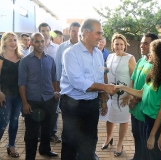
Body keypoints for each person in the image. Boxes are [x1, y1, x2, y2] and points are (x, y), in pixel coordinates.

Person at [60, 18, 115, 160]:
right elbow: (78, 82)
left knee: (90, 141)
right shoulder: (70, 53)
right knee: (71, 142)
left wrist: (103, 100)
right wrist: (105, 87)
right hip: (72, 105)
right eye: (98, 33)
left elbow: (99, 76)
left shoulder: (97, 53)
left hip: (91, 104)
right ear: (86, 32)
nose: (101, 37)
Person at [115, 39, 161, 160]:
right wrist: (122, 88)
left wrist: (154, 134)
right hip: (146, 117)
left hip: (154, 122)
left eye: (152, 51)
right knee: (146, 151)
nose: (149, 54)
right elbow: (141, 93)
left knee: (153, 154)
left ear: (158, 55)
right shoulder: (153, 73)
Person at [18, 33, 59, 159]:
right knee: (32, 132)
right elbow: (22, 83)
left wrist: (56, 92)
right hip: (32, 101)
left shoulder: (50, 60)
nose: (40, 44)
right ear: (32, 43)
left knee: (47, 129)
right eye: (37, 41)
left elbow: (54, 79)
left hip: (48, 100)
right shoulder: (25, 61)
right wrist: (25, 103)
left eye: (42, 41)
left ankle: (45, 149)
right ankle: (30, 156)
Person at [101, 33, 136, 157]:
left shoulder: (130, 58)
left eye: (121, 44)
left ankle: (120, 143)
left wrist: (129, 94)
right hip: (110, 95)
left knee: (123, 120)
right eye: (116, 44)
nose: (119, 47)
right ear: (113, 45)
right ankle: (108, 138)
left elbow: (134, 77)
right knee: (109, 118)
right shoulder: (109, 57)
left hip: (124, 95)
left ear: (125, 45)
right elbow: (105, 73)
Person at [129, 33, 158, 160]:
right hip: (134, 108)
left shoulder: (155, 65)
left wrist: (135, 99)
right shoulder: (140, 60)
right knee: (136, 135)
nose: (142, 45)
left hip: (144, 110)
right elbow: (133, 80)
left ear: (154, 45)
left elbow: (149, 89)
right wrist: (130, 96)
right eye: (141, 42)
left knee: (144, 140)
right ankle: (136, 157)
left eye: (146, 43)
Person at [0, 32, 23, 158]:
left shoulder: (21, 57)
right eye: (10, 40)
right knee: (3, 121)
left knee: (14, 121)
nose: (13, 42)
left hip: (18, 95)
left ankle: (11, 145)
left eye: (15, 40)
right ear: (4, 42)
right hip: (4, 95)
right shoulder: (1, 57)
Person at [38, 22, 61, 143]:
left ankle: (52, 133)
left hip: (53, 83)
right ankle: (41, 134)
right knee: (40, 110)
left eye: (47, 30)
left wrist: (57, 86)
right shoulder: (34, 47)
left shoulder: (57, 48)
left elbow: (59, 67)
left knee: (54, 110)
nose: (45, 33)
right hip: (38, 85)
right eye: (42, 30)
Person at [55, 21, 81, 87]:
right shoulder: (61, 47)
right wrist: (58, 85)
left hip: (81, 85)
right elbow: (58, 67)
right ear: (69, 31)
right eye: (73, 31)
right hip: (66, 85)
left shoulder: (84, 47)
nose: (76, 34)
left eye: (78, 31)